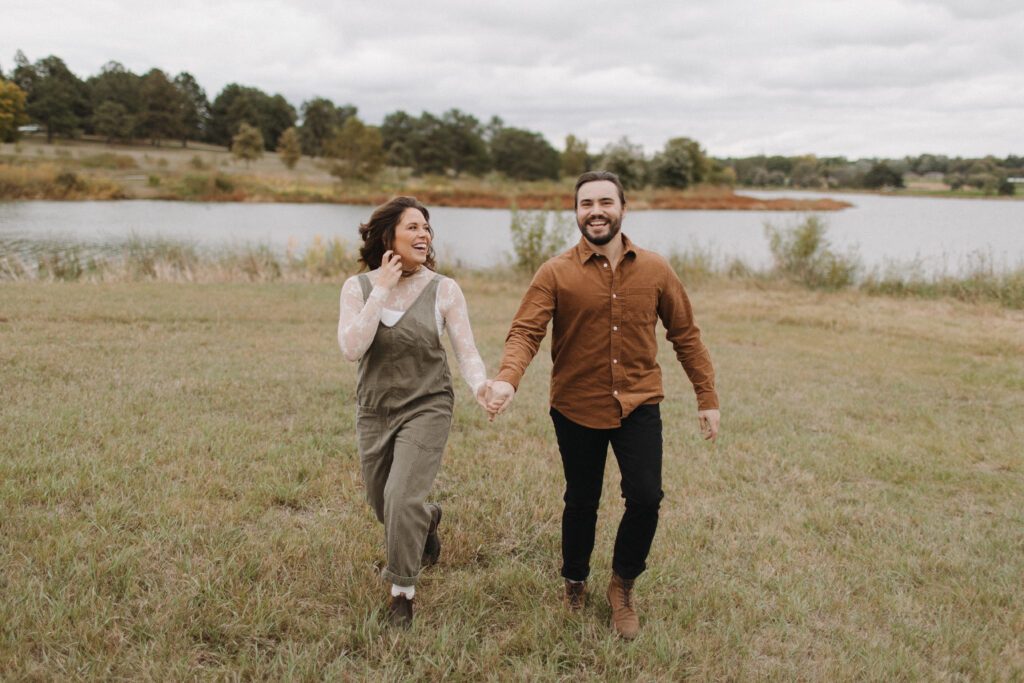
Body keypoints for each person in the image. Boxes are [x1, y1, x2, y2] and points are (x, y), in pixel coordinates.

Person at [485, 170, 720, 640]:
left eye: (605, 202)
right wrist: (508, 380)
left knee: (646, 498)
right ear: (576, 212)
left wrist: (706, 396)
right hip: (576, 405)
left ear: (623, 209)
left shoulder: (656, 269)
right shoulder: (555, 272)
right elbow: (526, 332)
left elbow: (685, 335)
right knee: (582, 499)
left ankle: (622, 585)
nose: (596, 211)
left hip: (639, 403)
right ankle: (575, 581)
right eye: (586, 203)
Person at [338, 196, 488, 629]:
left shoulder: (445, 289)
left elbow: (467, 351)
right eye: (413, 228)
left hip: (427, 406)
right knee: (382, 501)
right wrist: (381, 287)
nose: (424, 234)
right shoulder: (357, 288)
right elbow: (351, 348)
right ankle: (429, 520)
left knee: (401, 499)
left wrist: (480, 386)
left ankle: (402, 594)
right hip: (374, 410)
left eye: (427, 228)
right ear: (389, 236)